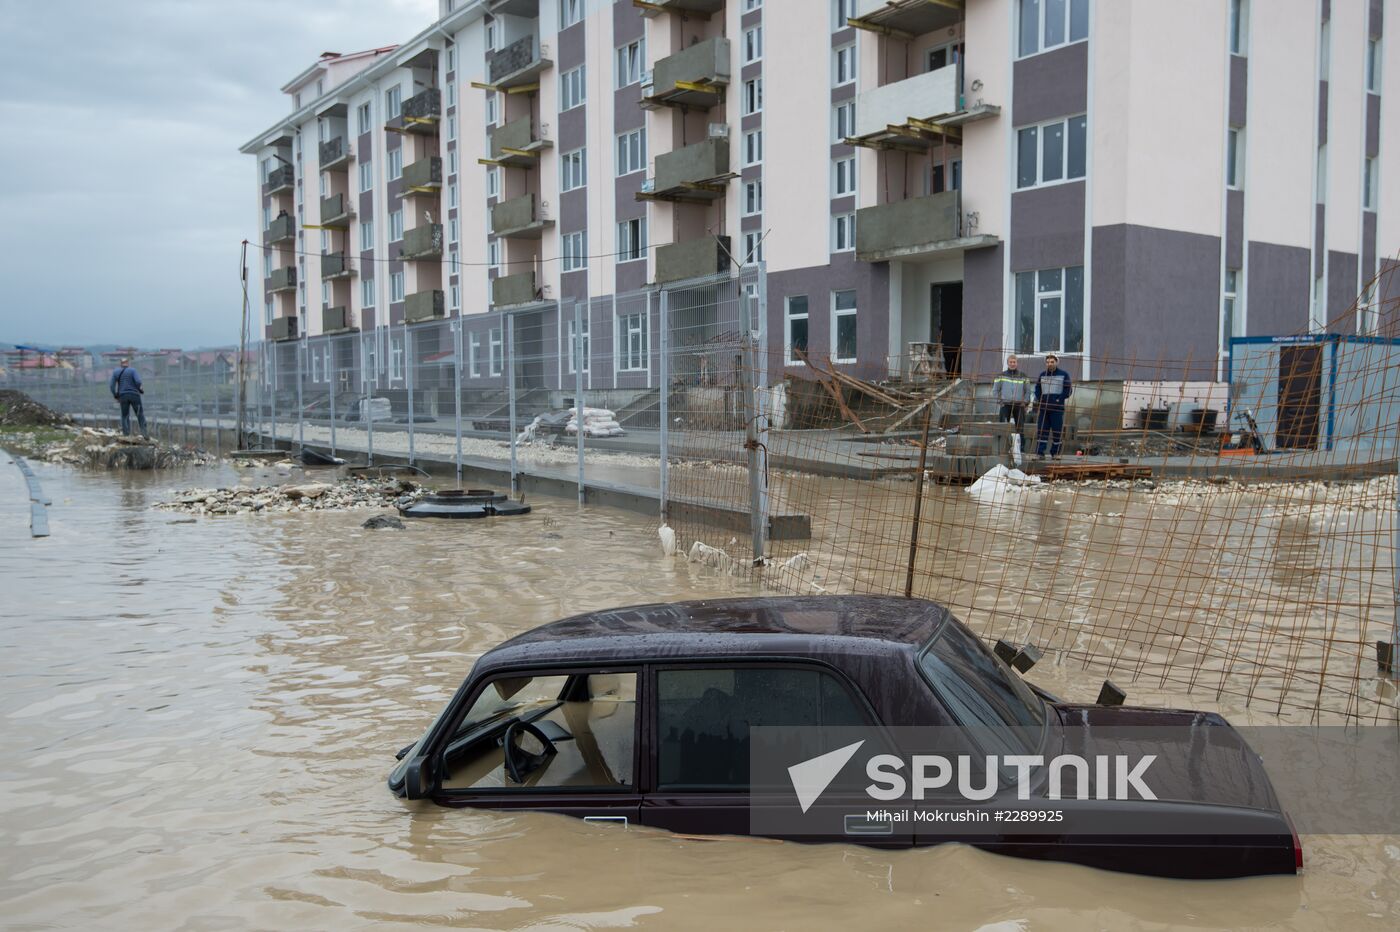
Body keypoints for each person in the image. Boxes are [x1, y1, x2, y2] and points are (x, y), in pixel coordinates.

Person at [1033, 353, 1073, 458]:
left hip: (1057, 409)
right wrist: (1039, 399)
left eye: (1052, 362)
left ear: (1056, 362)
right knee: (1042, 431)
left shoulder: (1064, 374)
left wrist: (1059, 399)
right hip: (1044, 409)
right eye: (1047, 362)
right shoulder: (1042, 375)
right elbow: (1037, 389)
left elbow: (1068, 390)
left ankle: (1055, 453)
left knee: (1057, 431)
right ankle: (1040, 453)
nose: (1049, 364)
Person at [109, 357, 148, 437]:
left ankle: (126, 434)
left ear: (120, 364)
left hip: (123, 396)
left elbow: (111, 385)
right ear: (128, 363)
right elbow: (138, 381)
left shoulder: (116, 372)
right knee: (139, 413)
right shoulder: (132, 370)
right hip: (134, 395)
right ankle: (144, 433)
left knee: (125, 415)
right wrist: (140, 390)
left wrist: (115, 395)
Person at [992, 354, 1033, 429]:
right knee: (1003, 428)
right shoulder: (1000, 376)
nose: (1012, 364)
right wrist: (1000, 402)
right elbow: (995, 391)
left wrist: (1025, 402)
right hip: (1005, 405)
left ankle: (1021, 441)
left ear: (1017, 363)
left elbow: (1028, 391)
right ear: (1007, 363)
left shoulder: (1023, 376)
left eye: (1014, 362)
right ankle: (1005, 441)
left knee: (1021, 428)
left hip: (1019, 405)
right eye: (1010, 362)